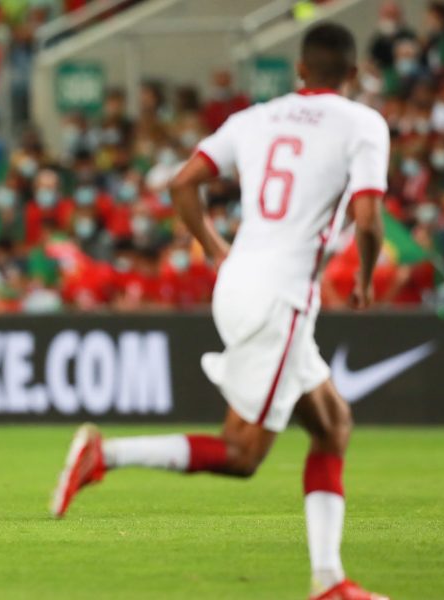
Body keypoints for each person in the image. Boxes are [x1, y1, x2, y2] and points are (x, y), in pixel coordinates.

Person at [52, 24, 389, 599]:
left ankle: (330, 581)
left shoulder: (255, 118)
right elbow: (367, 219)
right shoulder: (362, 123)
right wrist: (362, 275)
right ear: (352, 75)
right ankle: (105, 455)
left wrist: (213, 248)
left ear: (300, 71)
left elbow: (184, 183)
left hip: (237, 282)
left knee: (333, 426)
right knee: (241, 454)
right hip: (280, 298)